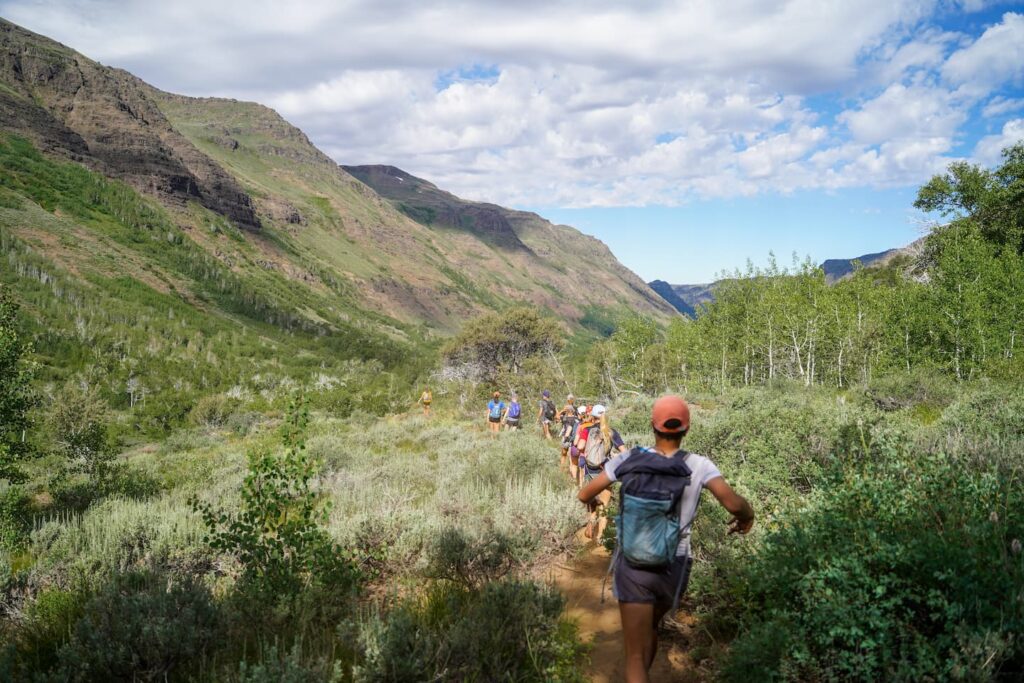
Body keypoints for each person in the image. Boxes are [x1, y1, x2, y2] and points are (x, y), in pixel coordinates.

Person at [578, 395, 754, 683]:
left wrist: (595, 504)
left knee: (633, 655)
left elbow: (585, 492)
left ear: (653, 426)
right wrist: (748, 516)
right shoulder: (699, 465)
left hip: (633, 563)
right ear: (687, 428)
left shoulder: (629, 458)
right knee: (652, 627)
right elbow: (734, 504)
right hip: (675, 563)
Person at [577, 404, 628, 540]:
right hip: (605, 472)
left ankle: (590, 526)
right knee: (604, 506)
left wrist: (587, 452)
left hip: (590, 471)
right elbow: (625, 452)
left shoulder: (586, 430)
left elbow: (580, 446)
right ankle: (600, 537)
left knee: (592, 504)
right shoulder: (611, 432)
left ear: (592, 416)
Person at [571, 405, 594, 486]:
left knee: (582, 475)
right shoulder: (597, 426)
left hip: (583, 454)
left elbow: (575, 443)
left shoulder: (581, 426)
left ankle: (581, 490)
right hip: (595, 455)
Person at [557, 394, 579, 468]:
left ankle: (570, 468)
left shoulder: (575, 409)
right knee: (564, 452)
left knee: (570, 453)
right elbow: (557, 418)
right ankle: (563, 467)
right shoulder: (566, 409)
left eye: (571, 399)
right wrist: (563, 411)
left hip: (572, 434)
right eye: (569, 399)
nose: (570, 400)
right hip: (567, 433)